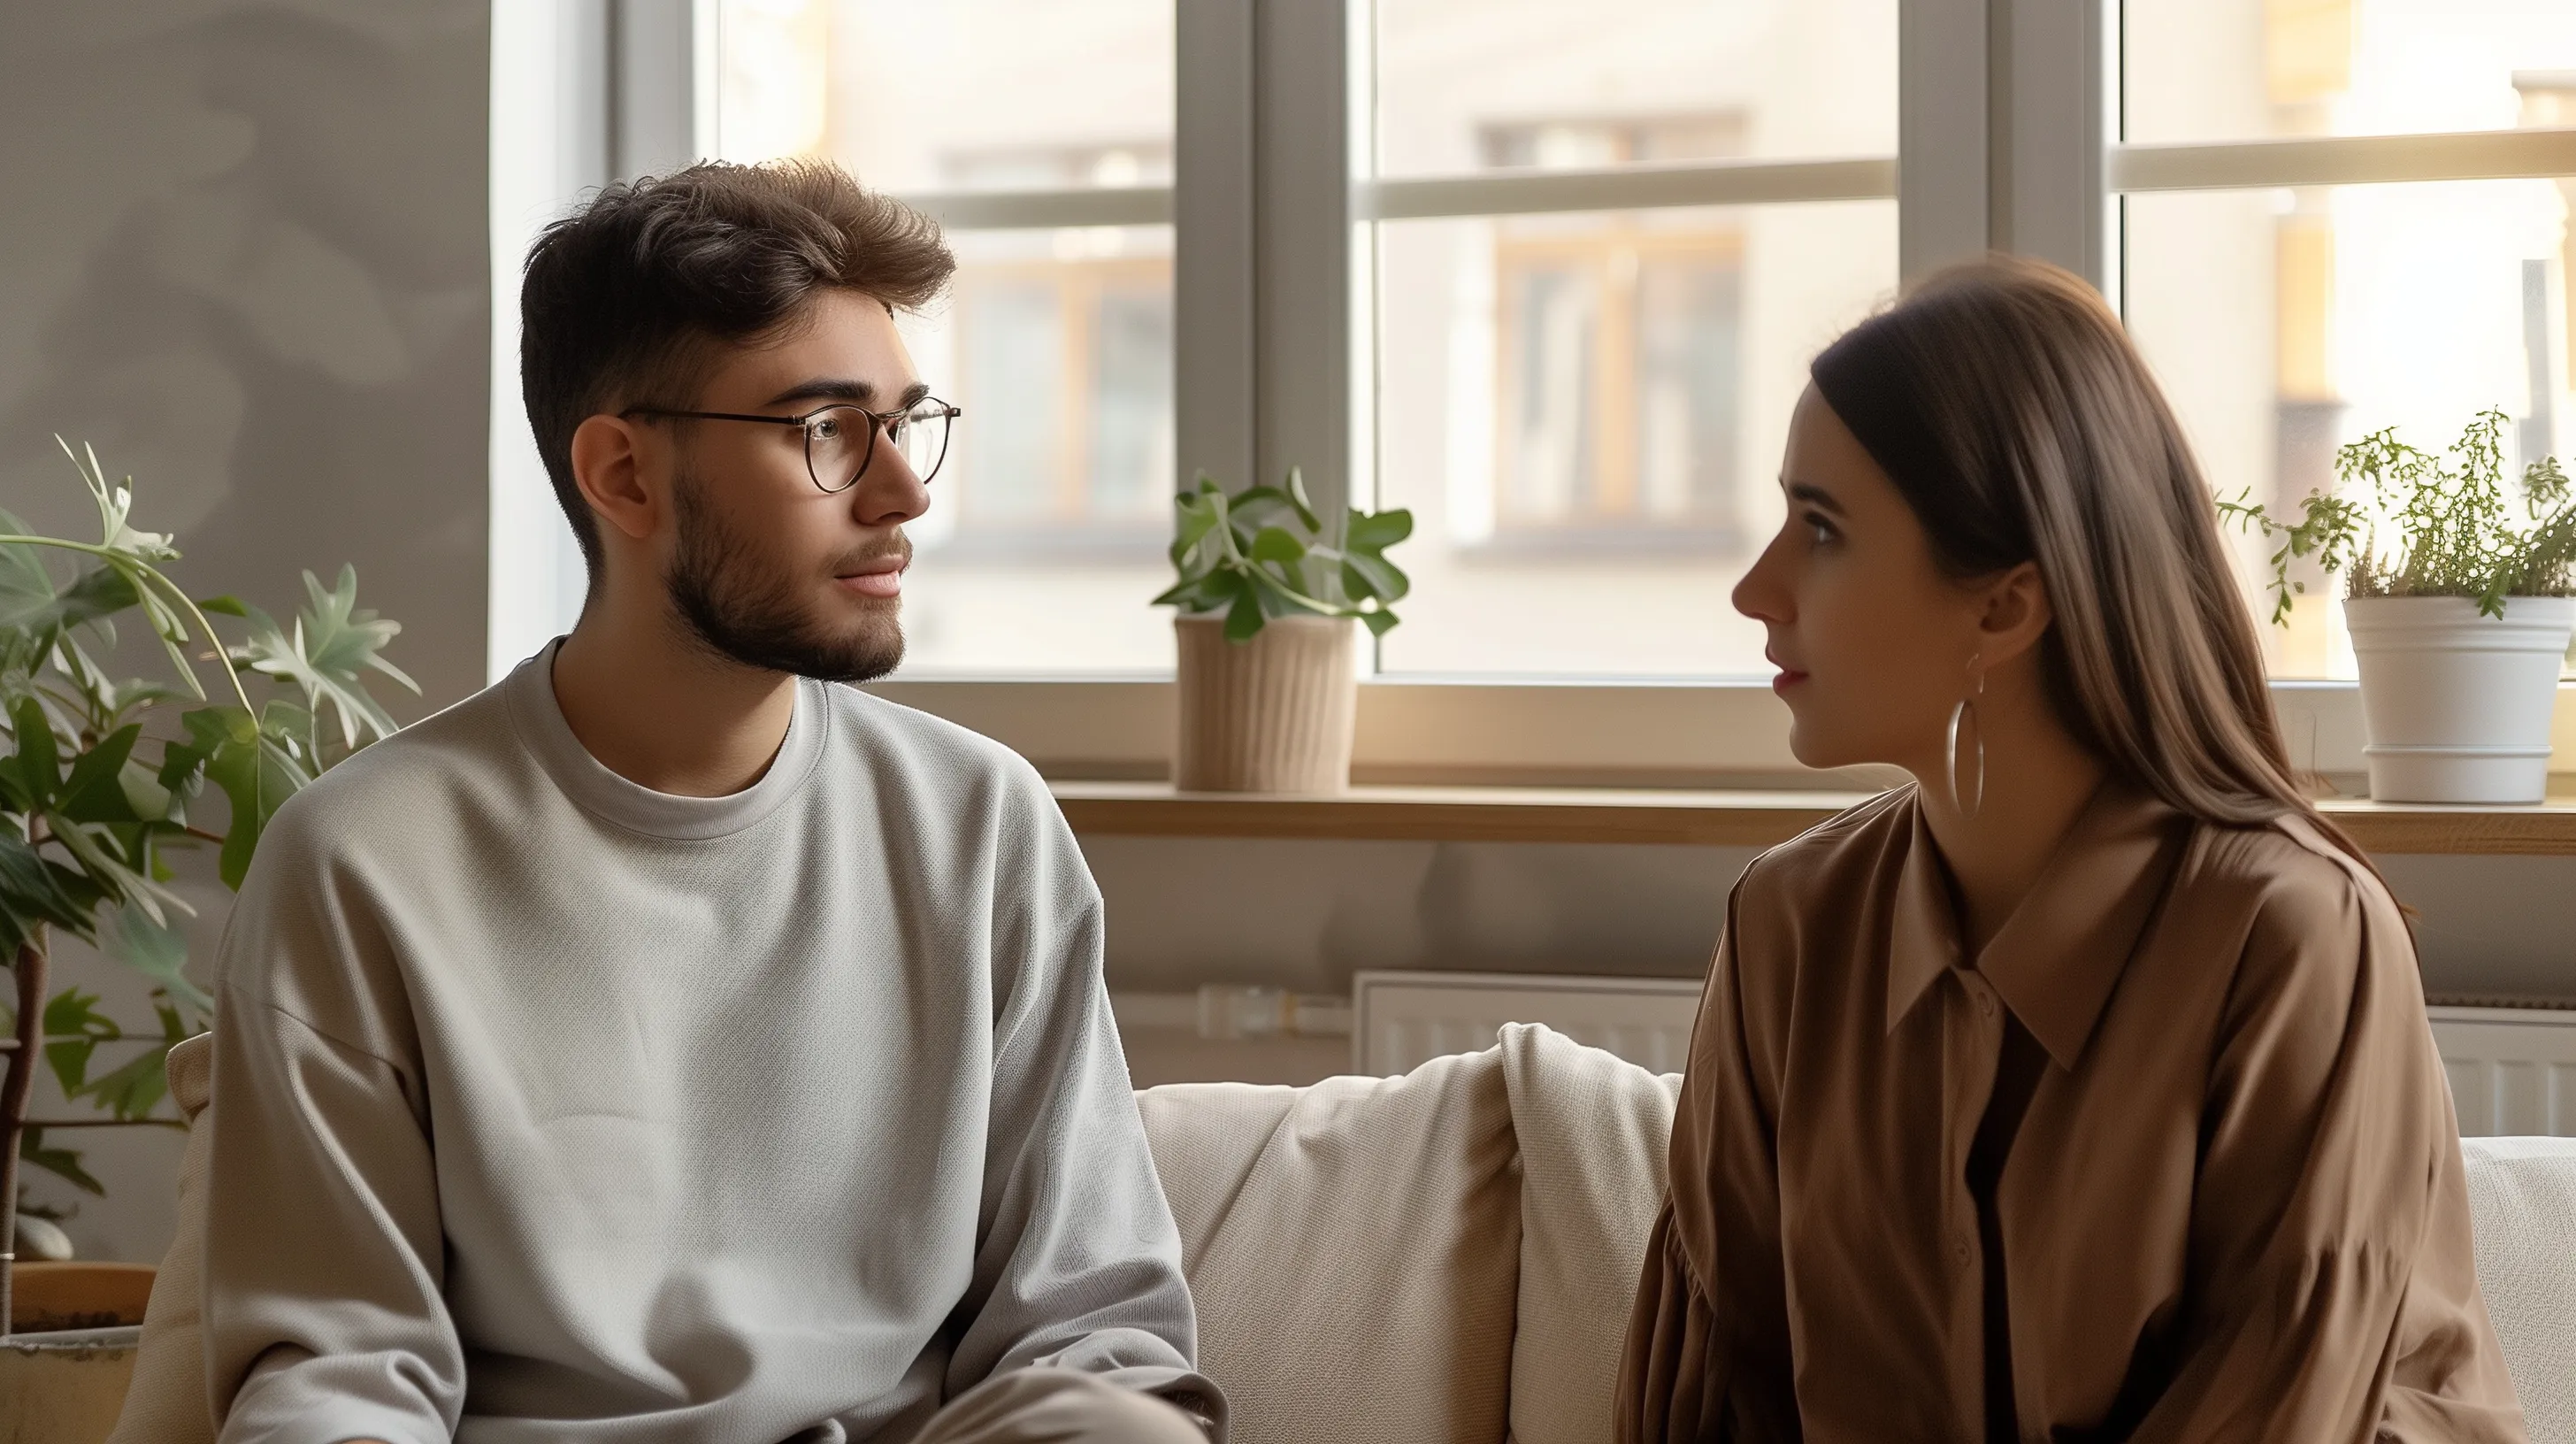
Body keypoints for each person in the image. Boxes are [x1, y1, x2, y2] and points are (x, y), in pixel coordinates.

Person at [201, 159, 1222, 1444]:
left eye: (907, 423)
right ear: (624, 476)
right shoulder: (361, 863)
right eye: (826, 430)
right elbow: (335, 1382)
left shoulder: (981, 828)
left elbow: (1098, 1326)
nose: (903, 492)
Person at [1614, 256, 2526, 1442]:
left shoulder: (2292, 942)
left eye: (1822, 530)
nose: (1755, 588)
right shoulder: (1787, 927)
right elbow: (1710, 1402)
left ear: (2004, 605)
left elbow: (2276, 1410)